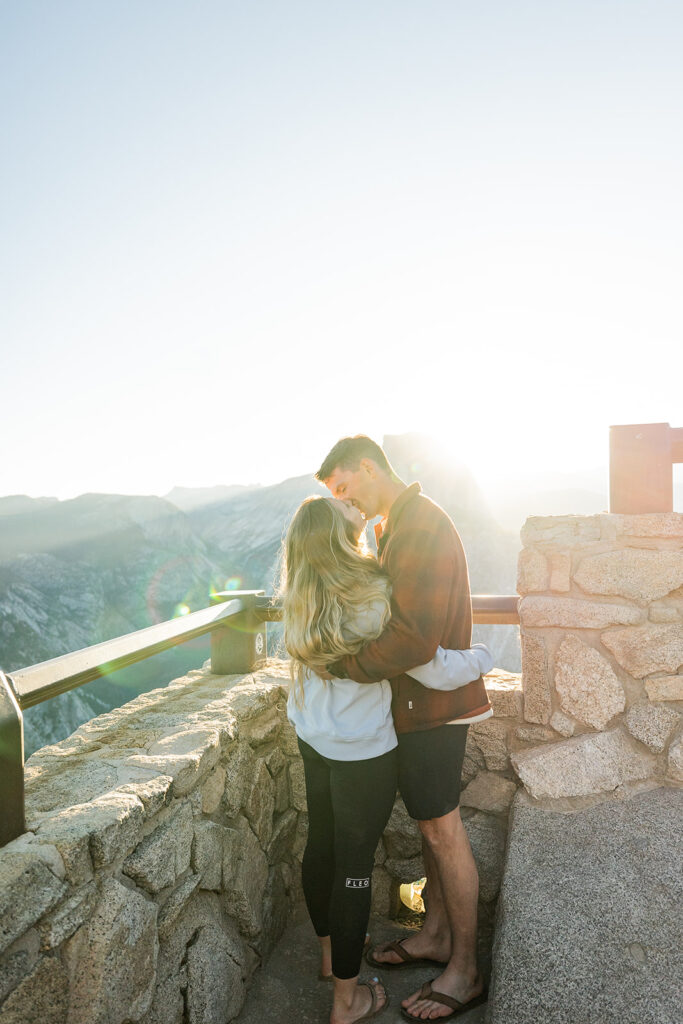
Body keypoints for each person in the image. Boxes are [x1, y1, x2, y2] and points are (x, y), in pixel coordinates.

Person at [280, 495, 493, 1024]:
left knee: (321, 847)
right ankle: (347, 1003)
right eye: (345, 509)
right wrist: (485, 657)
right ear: (337, 534)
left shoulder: (299, 592)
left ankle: (333, 960)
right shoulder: (370, 597)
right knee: (354, 872)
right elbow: (430, 668)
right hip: (361, 750)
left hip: (312, 735)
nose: (354, 507)